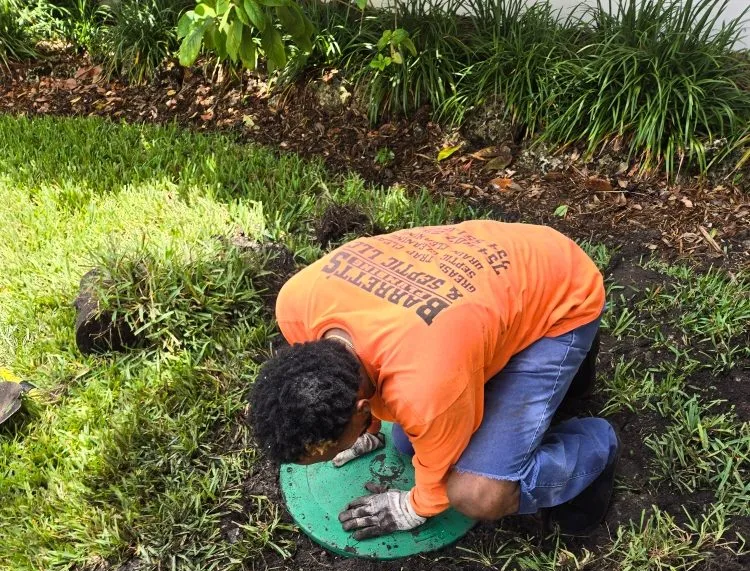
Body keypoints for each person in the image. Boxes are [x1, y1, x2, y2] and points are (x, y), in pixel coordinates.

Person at [250, 220, 619, 541]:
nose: (329, 459)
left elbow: (437, 479)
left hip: (561, 294)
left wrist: (411, 507)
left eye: (329, 450)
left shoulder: (424, 390)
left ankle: (595, 446)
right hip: (502, 268)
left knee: (477, 494)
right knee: (408, 442)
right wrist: (362, 426)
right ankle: (567, 372)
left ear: (360, 408)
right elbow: (342, 382)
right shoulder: (297, 305)